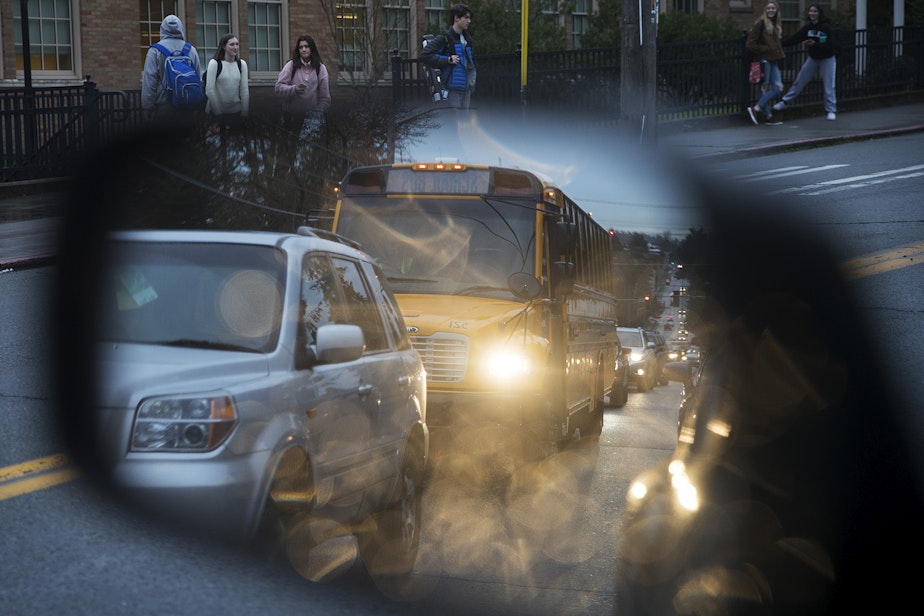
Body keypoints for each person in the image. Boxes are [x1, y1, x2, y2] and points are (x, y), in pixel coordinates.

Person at [773, 4, 838, 120]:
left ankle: (831, 110)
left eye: (815, 11)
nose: (812, 13)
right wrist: (780, 43)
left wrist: (815, 44)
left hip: (827, 58)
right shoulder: (808, 28)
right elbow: (796, 38)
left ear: (819, 13)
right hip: (813, 58)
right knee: (800, 80)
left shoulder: (826, 27)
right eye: (811, 11)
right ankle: (785, 102)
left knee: (829, 85)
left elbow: (831, 45)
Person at [141, 14, 202, 122]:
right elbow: (198, 77)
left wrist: (147, 107)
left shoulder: (155, 51)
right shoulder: (190, 49)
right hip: (188, 107)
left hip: (164, 108)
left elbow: (149, 81)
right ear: (181, 29)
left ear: (162, 30)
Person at [420, 4, 476, 110]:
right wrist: (447, 60)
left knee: (463, 125)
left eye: (470, 18)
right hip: (451, 92)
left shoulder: (468, 40)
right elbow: (424, 55)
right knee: (453, 124)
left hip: (466, 91)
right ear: (456, 18)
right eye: (466, 18)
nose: (469, 21)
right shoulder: (445, 39)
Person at [274, 35, 331, 131]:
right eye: (301, 47)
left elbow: (325, 98)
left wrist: (316, 114)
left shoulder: (320, 68)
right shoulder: (291, 65)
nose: (304, 50)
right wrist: (294, 89)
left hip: (311, 119)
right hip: (289, 116)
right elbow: (278, 88)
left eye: (306, 46)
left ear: (312, 48)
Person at [745, 2, 785, 126]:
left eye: (773, 8)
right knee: (764, 88)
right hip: (765, 60)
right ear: (765, 10)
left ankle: (756, 108)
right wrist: (766, 49)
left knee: (778, 88)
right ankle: (768, 115)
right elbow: (750, 43)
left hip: (774, 60)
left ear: (777, 10)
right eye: (768, 8)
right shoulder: (760, 24)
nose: (771, 10)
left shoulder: (776, 25)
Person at [204, 33, 250, 125]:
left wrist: (244, 113)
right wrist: (218, 113)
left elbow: (244, 91)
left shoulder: (241, 64)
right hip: (216, 113)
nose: (235, 47)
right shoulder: (215, 63)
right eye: (232, 44)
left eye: (237, 44)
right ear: (224, 47)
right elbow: (209, 90)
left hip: (236, 113)